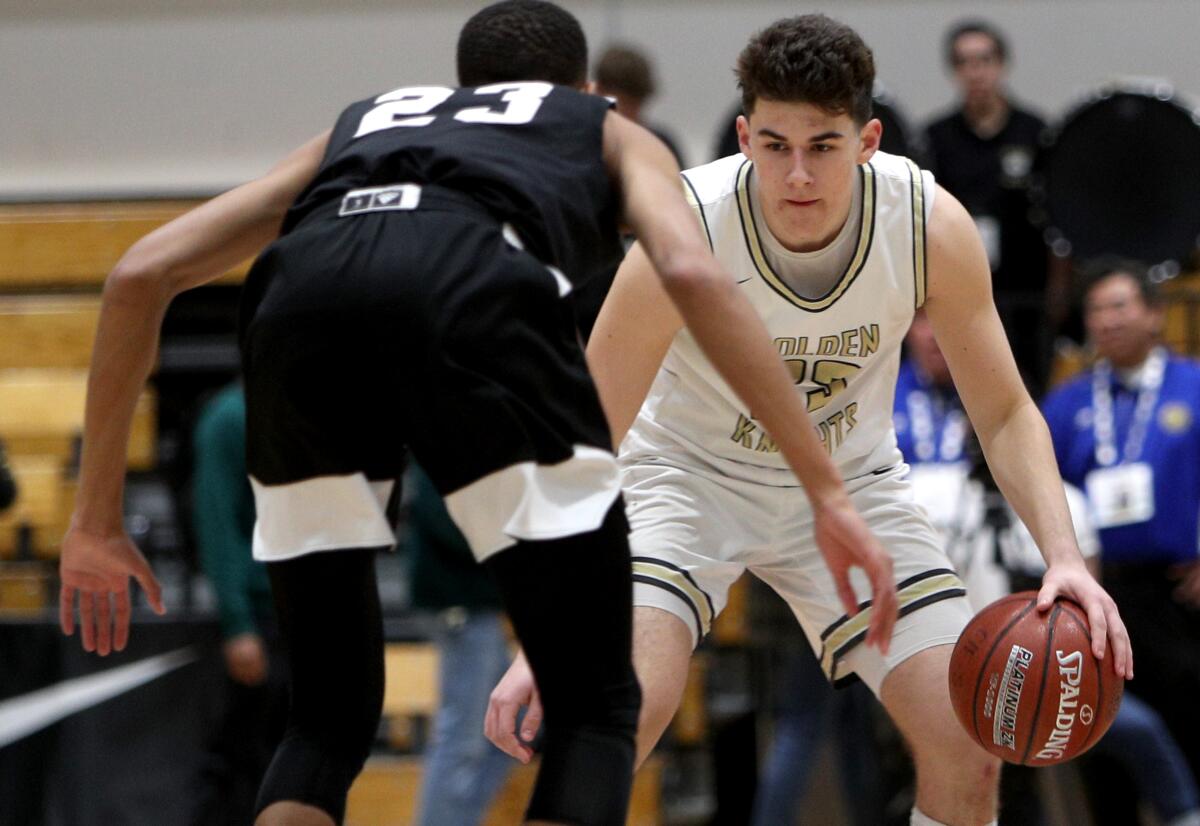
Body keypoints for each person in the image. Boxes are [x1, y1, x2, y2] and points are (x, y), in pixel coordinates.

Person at [56, 3, 899, 825]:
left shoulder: (370, 122)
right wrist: (826, 490)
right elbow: (692, 272)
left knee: (323, 725)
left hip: (299, 310)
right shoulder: (599, 125)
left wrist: (95, 520)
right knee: (594, 710)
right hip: (471, 295)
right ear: (585, 87)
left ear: (463, 85)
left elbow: (138, 276)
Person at [488, 15, 1132, 826]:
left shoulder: (928, 223)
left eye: (822, 146)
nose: (797, 173)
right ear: (743, 135)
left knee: (969, 746)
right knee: (615, 718)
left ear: (866, 140)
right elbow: (590, 438)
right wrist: (539, 638)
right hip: (684, 482)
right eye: (775, 145)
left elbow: (1003, 411)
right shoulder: (683, 228)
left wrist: (1063, 554)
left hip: (850, 486)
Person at [1041, 260, 1200, 789]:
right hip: (1100, 597)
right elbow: (1046, 492)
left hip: (1182, 590)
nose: (1106, 321)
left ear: (1155, 315)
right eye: (1094, 310)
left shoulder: (1193, 386)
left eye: (1118, 306)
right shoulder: (1067, 404)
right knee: (1107, 748)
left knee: (1189, 735)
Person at [922, 20, 1052, 392]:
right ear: (954, 71)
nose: (975, 71)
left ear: (1002, 65)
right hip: (958, 287)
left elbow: (1055, 221)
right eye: (964, 62)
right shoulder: (936, 137)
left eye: (984, 60)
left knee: (1028, 387)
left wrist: (1057, 293)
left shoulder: (1035, 131)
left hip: (1026, 292)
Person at [190, 381, 288, 826]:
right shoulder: (230, 418)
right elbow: (216, 519)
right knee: (243, 761)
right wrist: (237, 622)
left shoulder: (311, 409)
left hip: (303, 612)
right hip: (258, 615)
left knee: (296, 762)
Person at [404, 461, 514, 826]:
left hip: (479, 605)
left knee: (511, 728)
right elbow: (449, 521)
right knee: (462, 739)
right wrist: (517, 545)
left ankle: (458, 819)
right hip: (459, 605)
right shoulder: (444, 432)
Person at [594, 44, 686, 168]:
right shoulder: (581, 147)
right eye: (624, 104)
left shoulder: (661, 147)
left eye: (635, 105)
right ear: (599, 91)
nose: (631, 114)